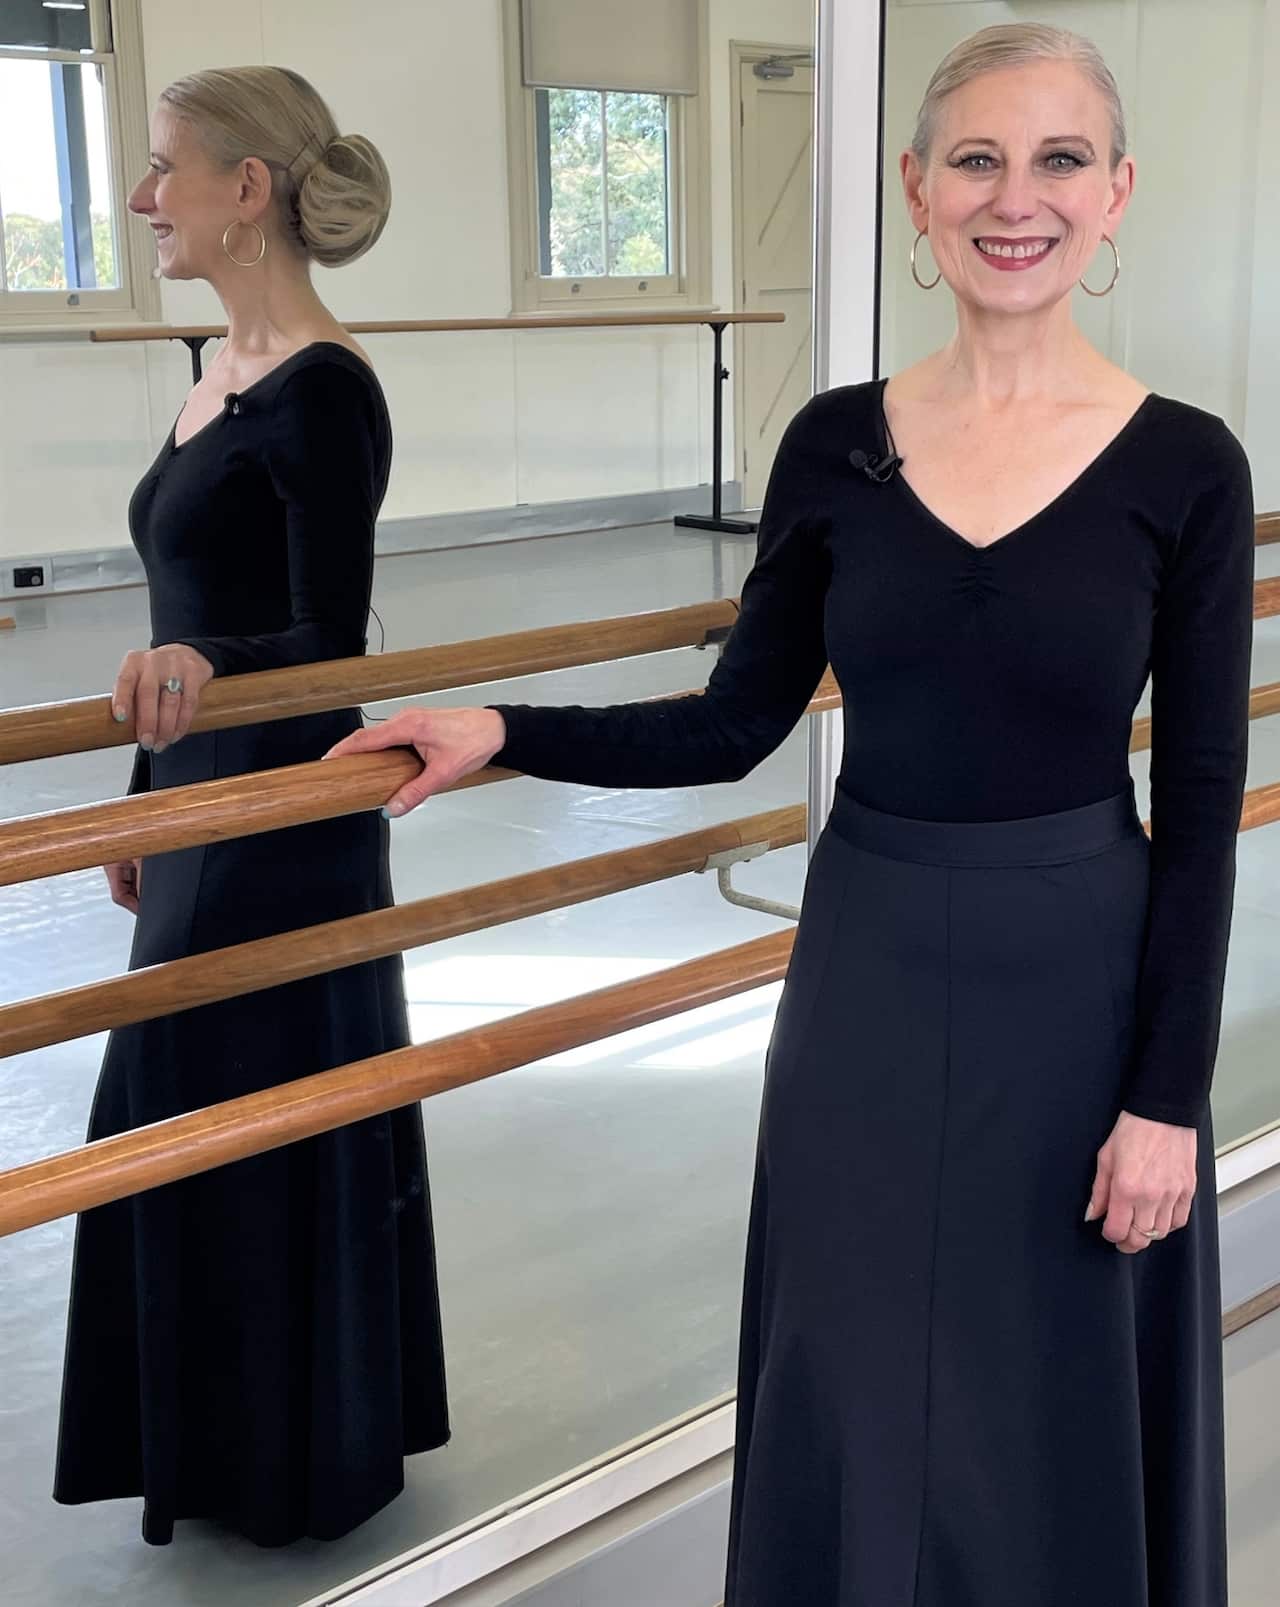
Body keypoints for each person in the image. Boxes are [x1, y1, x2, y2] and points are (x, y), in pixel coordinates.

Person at [331, 23, 1256, 1606]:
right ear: (916, 189)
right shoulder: (834, 441)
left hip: (1077, 970)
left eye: (1055, 160)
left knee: (1045, 1368)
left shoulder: (1188, 467)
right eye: (974, 158)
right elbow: (733, 720)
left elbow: (1207, 799)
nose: (1011, 197)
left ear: (1116, 194)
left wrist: (1169, 1097)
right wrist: (506, 729)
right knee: (855, 1351)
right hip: (870, 970)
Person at [54, 67, 448, 1547]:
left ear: (248, 191)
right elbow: (190, 608)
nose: (147, 198)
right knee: (182, 1111)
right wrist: (142, 802)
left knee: (247, 1118)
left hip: (289, 822)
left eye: (166, 169)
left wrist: (197, 673)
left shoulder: (325, 391)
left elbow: (327, 648)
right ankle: (219, 1447)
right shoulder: (218, 366)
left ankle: (290, 1462)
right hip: (205, 804)